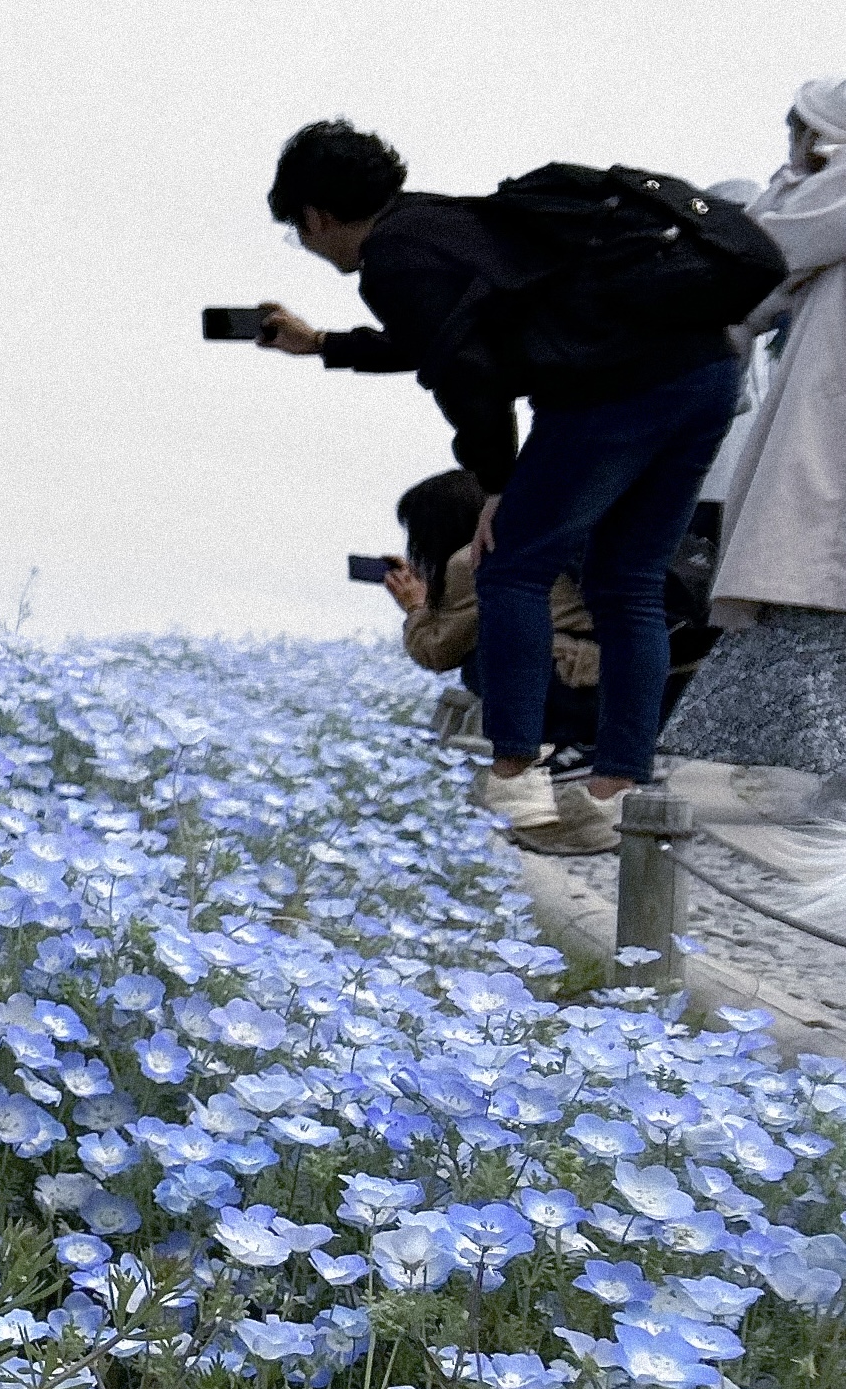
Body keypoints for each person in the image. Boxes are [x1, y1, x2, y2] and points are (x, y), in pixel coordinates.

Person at [259, 119, 747, 854]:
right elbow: (442, 340)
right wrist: (322, 342)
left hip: (615, 389)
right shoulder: (448, 220)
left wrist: (496, 485)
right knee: (628, 584)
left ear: (317, 216)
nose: (309, 244)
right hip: (704, 373)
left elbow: (468, 376)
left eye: (300, 233)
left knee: (510, 563)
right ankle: (614, 794)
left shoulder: (392, 260)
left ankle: (516, 779)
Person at [661, 78, 846, 777]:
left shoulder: (830, 197)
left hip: (826, 424)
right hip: (820, 420)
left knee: (809, 586)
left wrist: (796, 174)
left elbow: (758, 250)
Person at [385, 470, 600, 778]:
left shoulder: (472, 559)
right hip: (607, 674)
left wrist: (415, 606)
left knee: (479, 663)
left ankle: (561, 742)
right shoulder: (531, 539)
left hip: (578, 685)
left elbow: (437, 652)